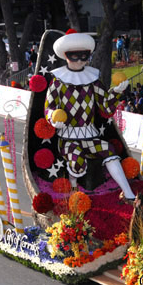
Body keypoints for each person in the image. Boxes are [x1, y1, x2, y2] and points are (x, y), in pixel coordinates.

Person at [44, 29, 135, 199]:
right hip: (67, 138)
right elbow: (48, 108)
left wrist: (116, 92)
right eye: (74, 56)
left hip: (90, 135)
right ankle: (73, 194)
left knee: (109, 149)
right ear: (65, 55)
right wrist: (53, 119)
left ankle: (128, 193)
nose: (79, 60)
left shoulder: (94, 80)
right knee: (76, 161)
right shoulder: (57, 83)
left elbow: (106, 110)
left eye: (84, 56)